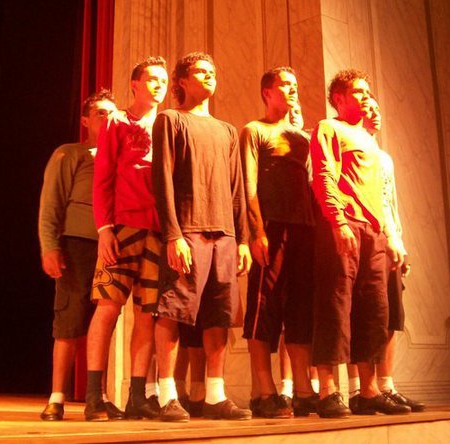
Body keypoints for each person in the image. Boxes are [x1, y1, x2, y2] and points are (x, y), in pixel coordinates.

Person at [151, 52, 252, 422]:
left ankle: (214, 395)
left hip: (224, 234)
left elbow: (237, 188)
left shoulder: (227, 130)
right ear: (181, 81)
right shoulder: (170, 119)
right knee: (173, 309)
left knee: (219, 316)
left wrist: (242, 239)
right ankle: (167, 395)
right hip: (188, 230)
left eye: (213, 71)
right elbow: (161, 179)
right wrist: (173, 234)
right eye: (200, 72)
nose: (209, 76)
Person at [310, 69, 409, 417]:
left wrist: (390, 235)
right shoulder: (328, 127)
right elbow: (324, 175)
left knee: (374, 309)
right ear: (339, 98)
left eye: (368, 92)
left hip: (374, 232)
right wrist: (338, 221)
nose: (366, 97)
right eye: (359, 92)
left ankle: (368, 391)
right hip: (346, 224)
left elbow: (382, 193)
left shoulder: (369, 140)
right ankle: (328, 391)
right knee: (335, 304)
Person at [84, 57, 169, 421]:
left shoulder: (167, 124)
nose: (159, 85)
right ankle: (94, 396)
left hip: (158, 231)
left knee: (147, 313)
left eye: (164, 80)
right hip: (122, 227)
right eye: (151, 79)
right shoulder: (116, 121)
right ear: (135, 84)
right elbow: (102, 178)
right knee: (107, 307)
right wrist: (104, 229)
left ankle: (138, 396)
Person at [37, 90, 118, 421]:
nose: (107, 118)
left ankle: (97, 396)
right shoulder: (71, 153)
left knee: (105, 319)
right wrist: (49, 246)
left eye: (112, 113)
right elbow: (51, 202)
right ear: (85, 120)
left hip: (112, 247)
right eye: (100, 113)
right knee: (69, 320)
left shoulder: (123, 157)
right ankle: (56, 397)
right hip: (77, 245)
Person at [240, 67, 316, 418]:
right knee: (263, 309)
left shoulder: (302, 138)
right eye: (285, 84)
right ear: (267, 92)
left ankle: (303, 390)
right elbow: (249, 185)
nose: (292, 89)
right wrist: (256, 232)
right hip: (271, 226)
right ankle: (264, 391)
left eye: (295, 85)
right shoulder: (255, 130)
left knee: (300, 311)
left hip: (304, 229)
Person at [346, 96, 425, 413]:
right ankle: (358, 388)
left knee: (391, 313)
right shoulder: (346, 146)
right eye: (368, 108)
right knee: (361, 312)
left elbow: (390, 203)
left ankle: (387, 385)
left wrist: (399, 241)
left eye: (378, 109)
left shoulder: (384, 158)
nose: (374, 113)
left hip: (389, 239)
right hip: (363, 237)